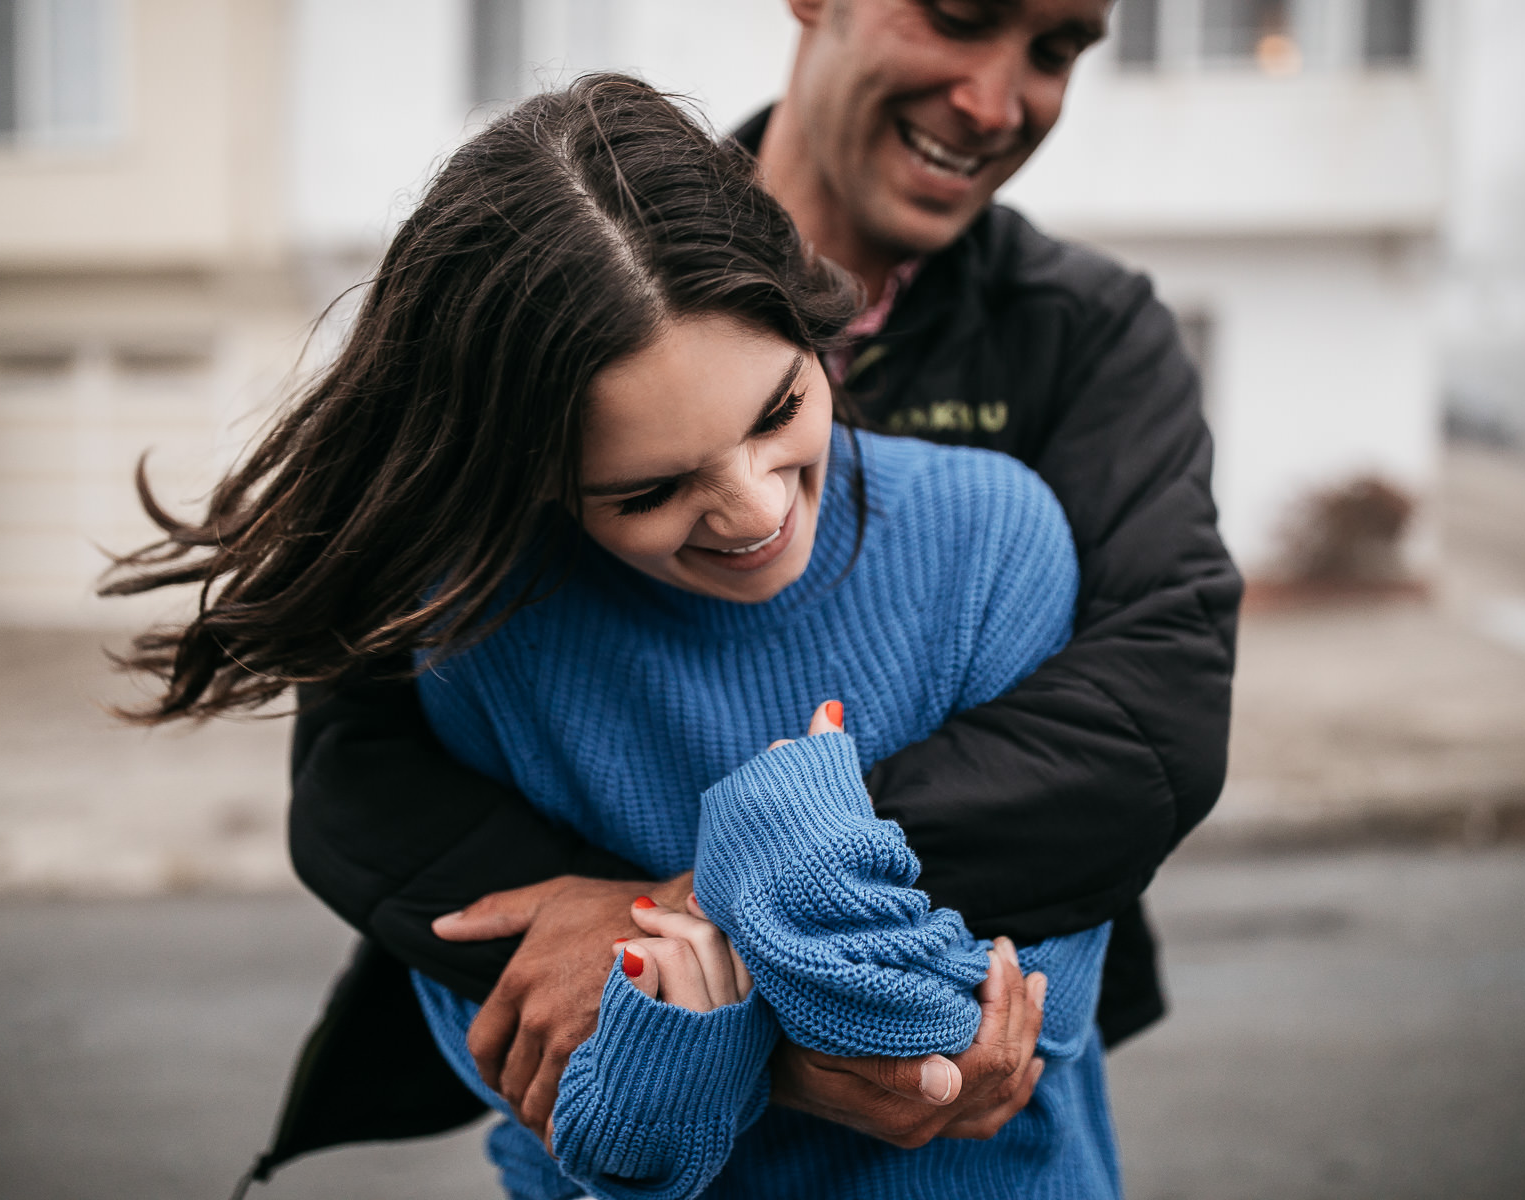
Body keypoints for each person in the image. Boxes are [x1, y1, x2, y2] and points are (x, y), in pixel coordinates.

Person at [263, 0, 1239, 1177]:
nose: (995, 101)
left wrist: (701, 911)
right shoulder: (560, 284)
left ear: (811, 335)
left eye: (1055, 49)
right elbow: (362, 762)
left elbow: (1147, 715)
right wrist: (751, 1023)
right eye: (957, 17)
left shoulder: (1061, 384)